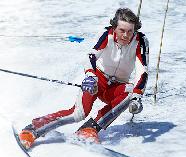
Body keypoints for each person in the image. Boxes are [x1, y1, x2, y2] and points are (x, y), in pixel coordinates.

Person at [19, 8, 149, 149]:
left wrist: (137, 96)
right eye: (122, 30)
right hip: (97, 79)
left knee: (131, 93)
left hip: (117, 86)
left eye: (130, 31)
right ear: (114, 27)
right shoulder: (107, 34)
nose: (126, 35)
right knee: (79, 113)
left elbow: (142, 71)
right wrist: (90, 76)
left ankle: (89, 129)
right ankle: (33, 129)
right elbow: (91, 56)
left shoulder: (140, 41)